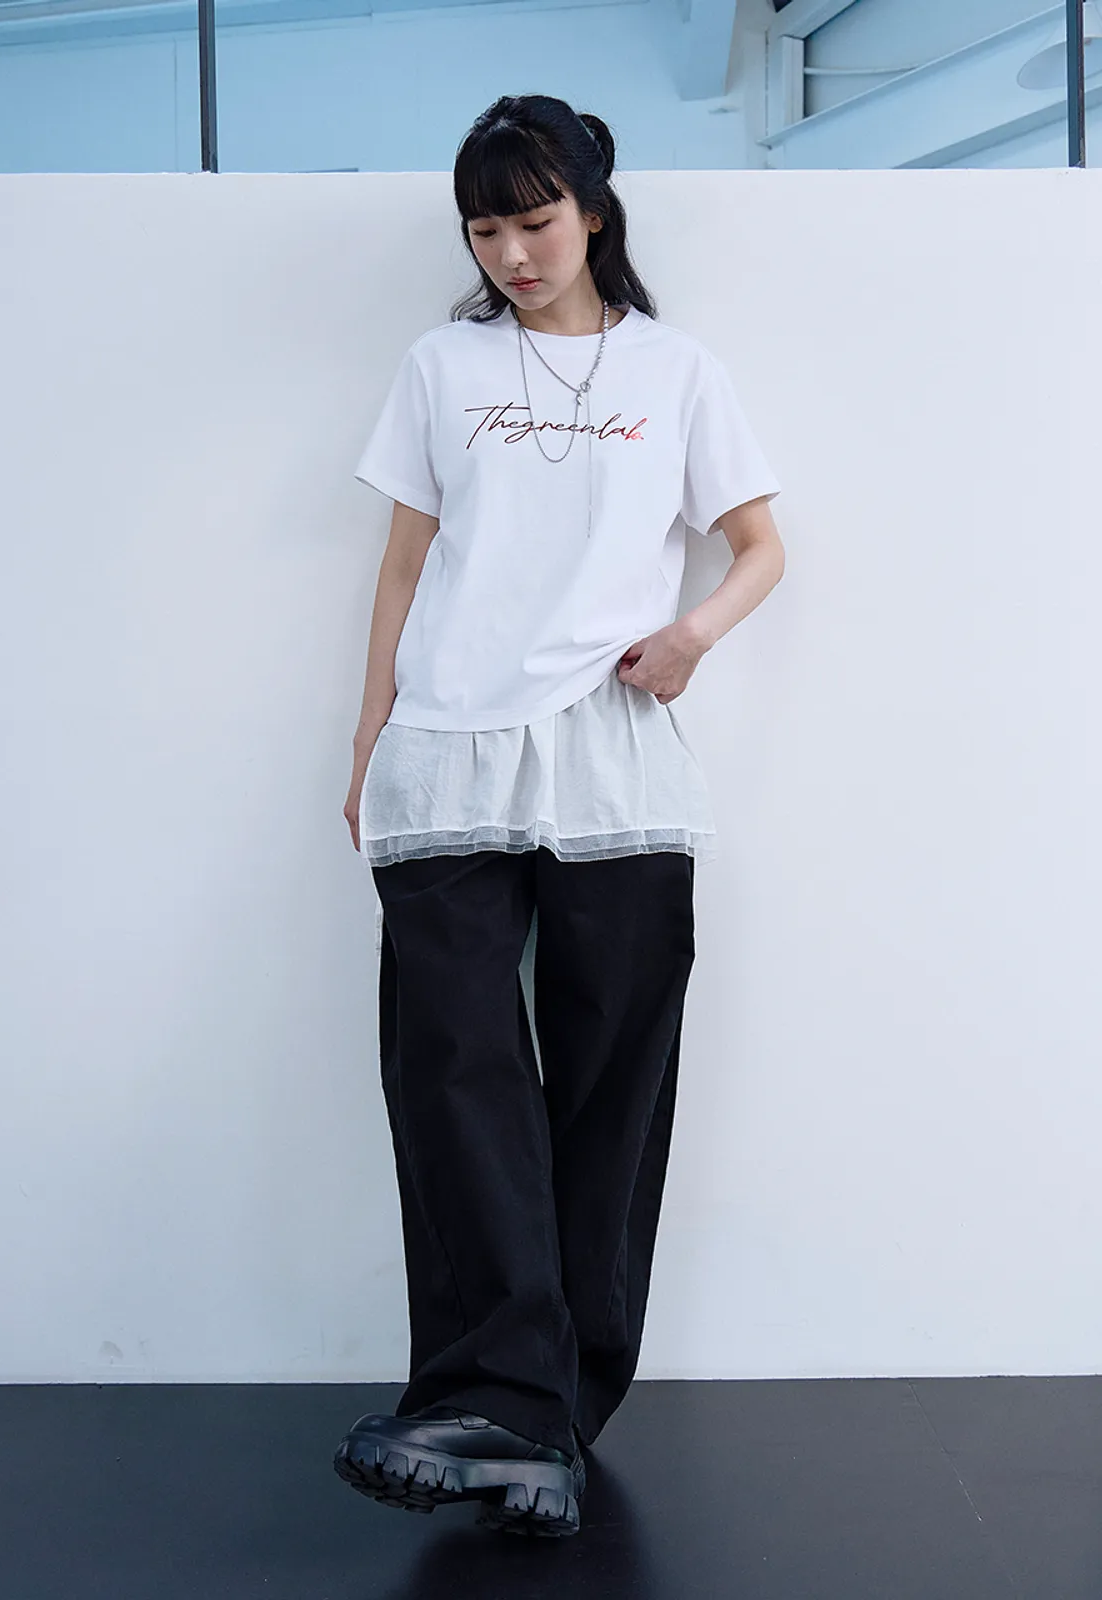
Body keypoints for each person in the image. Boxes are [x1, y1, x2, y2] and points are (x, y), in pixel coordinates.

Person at [332, 93, 784, 1539]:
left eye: (534, 221)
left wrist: (692, 636)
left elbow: (762, 545)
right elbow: (402, 568)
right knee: (452, 1069)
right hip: (452, 749)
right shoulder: (442, 366)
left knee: (609, 1085)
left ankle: (550, 1415)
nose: (512, 255)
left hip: (615, 757)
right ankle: (490, 1397)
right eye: (485, 230)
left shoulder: (678, 369)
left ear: (593, 210)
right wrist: (369, 736)